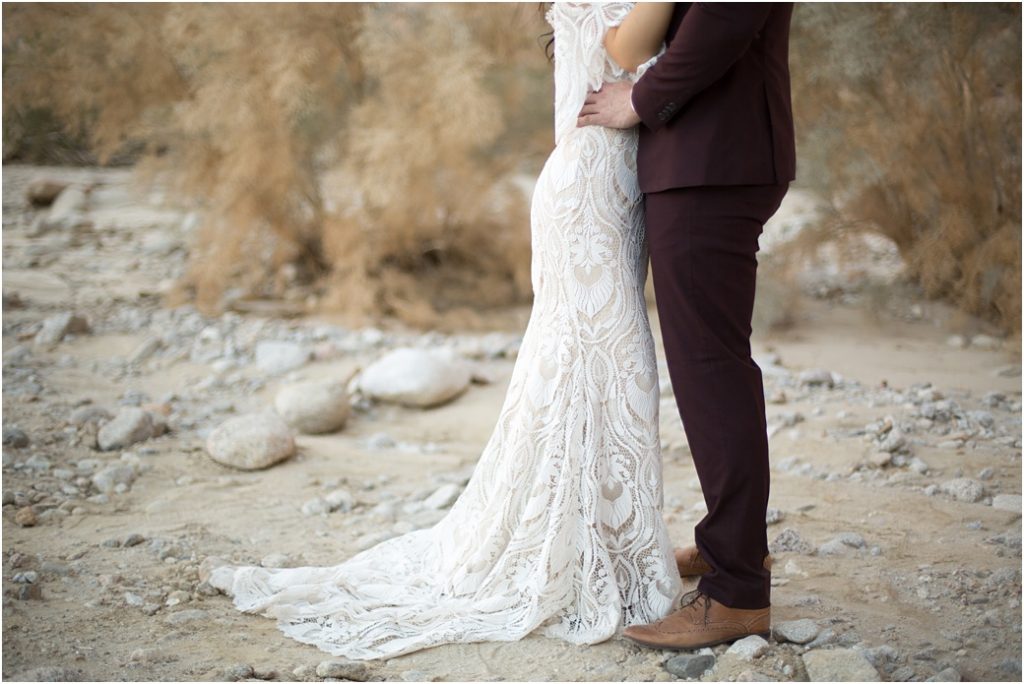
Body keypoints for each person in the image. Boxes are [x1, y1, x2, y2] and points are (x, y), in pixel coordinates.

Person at [208, 2, 689, 660]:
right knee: (610, 362)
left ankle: (601, 539)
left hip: (612, 187)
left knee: (599, 368)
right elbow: (630, 50)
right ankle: (587, 551)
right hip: (590, 190)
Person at [577, 2, 796, 650]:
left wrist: (639, 100)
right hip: (707, 160)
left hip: (714, 163)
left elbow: (724, 25)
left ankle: (736, 594)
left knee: (711, 374)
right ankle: (732, 550)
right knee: (710, 369)